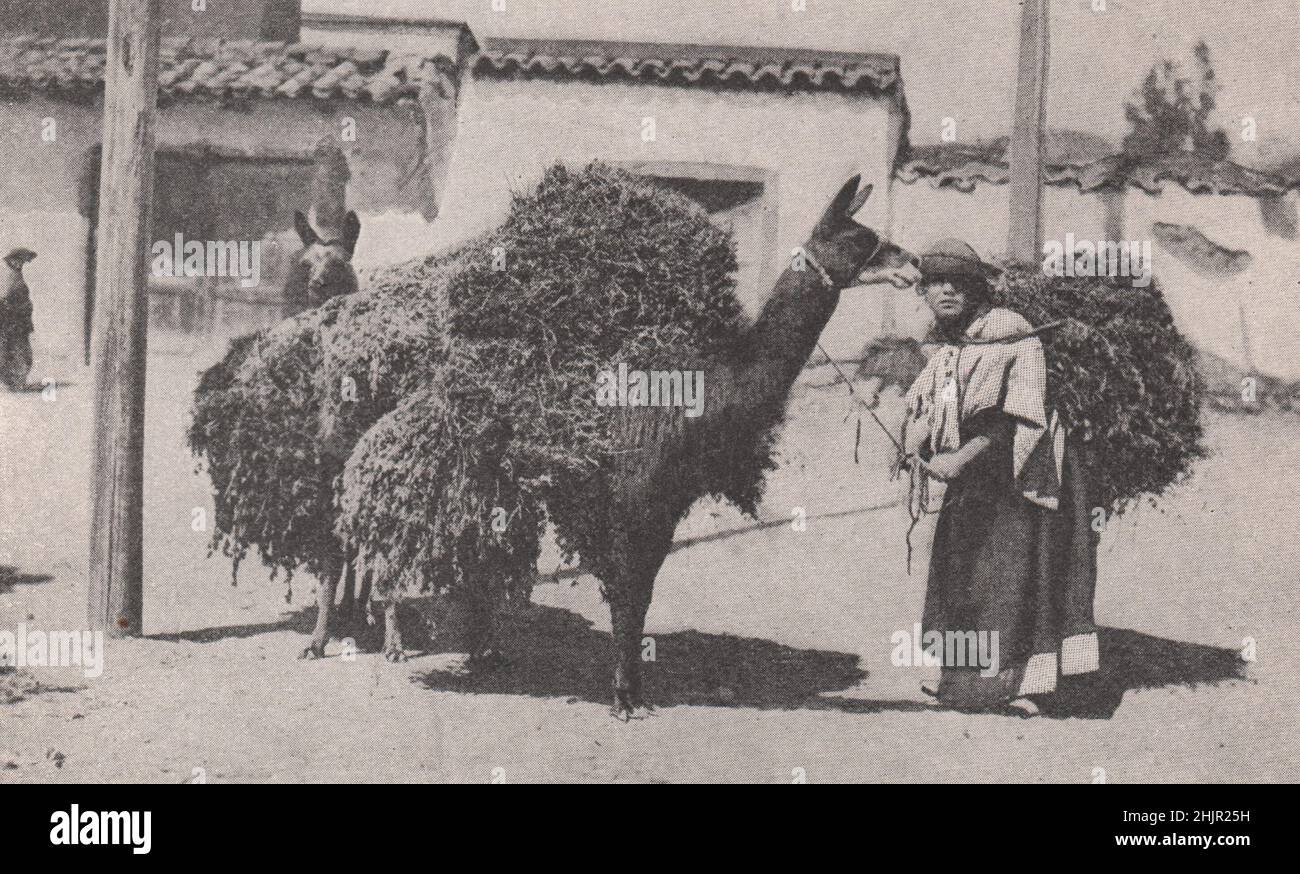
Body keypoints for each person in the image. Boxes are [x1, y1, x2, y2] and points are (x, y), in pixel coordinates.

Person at [901, 239, 1100, 715]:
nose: (947, 291)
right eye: (935, 283)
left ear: (978, 288)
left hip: (1024, 469)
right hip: (975, 474)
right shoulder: (948, 341)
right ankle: (960, 682)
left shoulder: (1010, 332)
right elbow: (942, 406)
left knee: (1014, 575)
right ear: (924, 290)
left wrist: (958, 458)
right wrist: (918, 438)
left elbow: (1013, 417)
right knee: (961, 572)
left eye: (960, 282)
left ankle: (1023, 687)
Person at [0, 247, 36, 391]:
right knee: (14, 350)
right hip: (12, 323)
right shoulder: (9, 276)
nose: (20, 264)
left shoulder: (16, 275)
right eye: (18, 261)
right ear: (12, 261)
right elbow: (4, 299)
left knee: (19, 350)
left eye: (22, 261)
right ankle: (13, 382)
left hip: (18, 322)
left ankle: (15, 382)